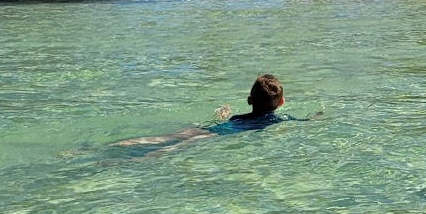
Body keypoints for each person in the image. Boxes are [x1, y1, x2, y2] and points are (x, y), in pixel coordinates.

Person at [113, 73, 315, 149]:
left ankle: (122, 144)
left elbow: (229, 123)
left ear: (249, 100)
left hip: (217, 127)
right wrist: (315, 118)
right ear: (281, 103)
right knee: (173, 148)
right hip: (218, 136)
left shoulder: (238, 116)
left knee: (170, 137)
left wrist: (222, 116)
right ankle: (139, 158)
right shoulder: (278, 120)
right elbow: (299, 121)